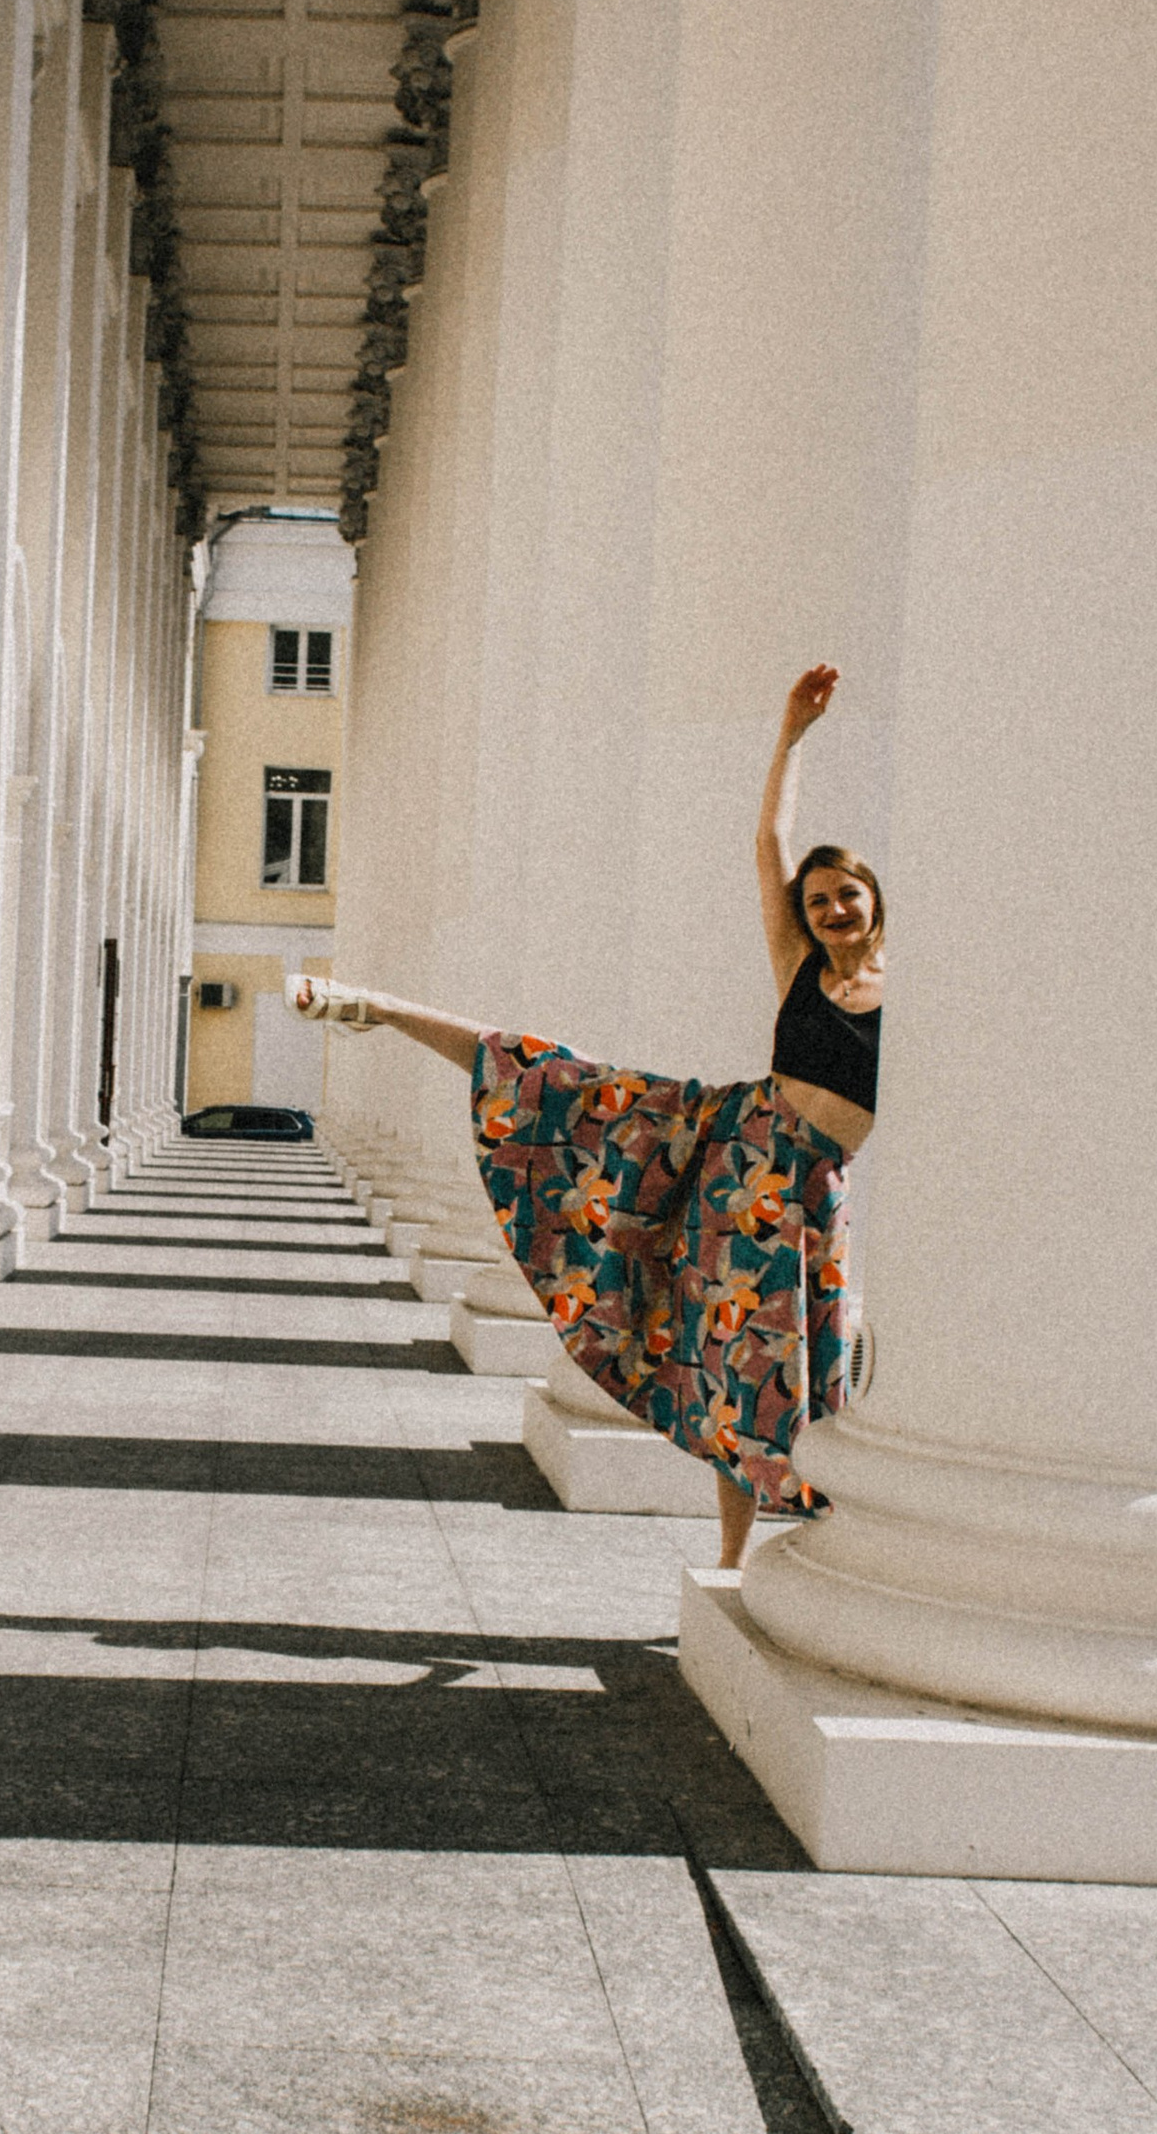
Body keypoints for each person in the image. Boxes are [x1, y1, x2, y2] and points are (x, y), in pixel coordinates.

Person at [290, 665, 883, 1569]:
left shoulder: (910, 990)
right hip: (737, 1151)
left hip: (814, 1191)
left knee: (802, 1365)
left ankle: (814, 1548)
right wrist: (789, 737)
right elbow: (769, 840)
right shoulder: (800, 969)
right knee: (565, 1095)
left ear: (875, 901)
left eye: (847, 895)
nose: (834, 909)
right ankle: (378, 1006)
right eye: (819, 901)